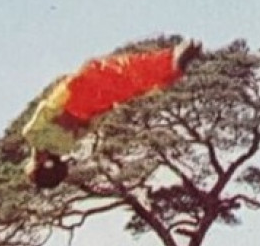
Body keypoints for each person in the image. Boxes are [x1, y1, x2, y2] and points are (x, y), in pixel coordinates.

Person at [22, 37, 203, 189]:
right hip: (76, 97)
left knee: (129, 83)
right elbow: (47, 108)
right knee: (124, 70)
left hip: (91, 106)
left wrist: (104, 110)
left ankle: (171, 69)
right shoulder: (32, 135)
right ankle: (169, 63)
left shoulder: (64, 146)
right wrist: (71, 87)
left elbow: (87, 126)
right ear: (39, 165)